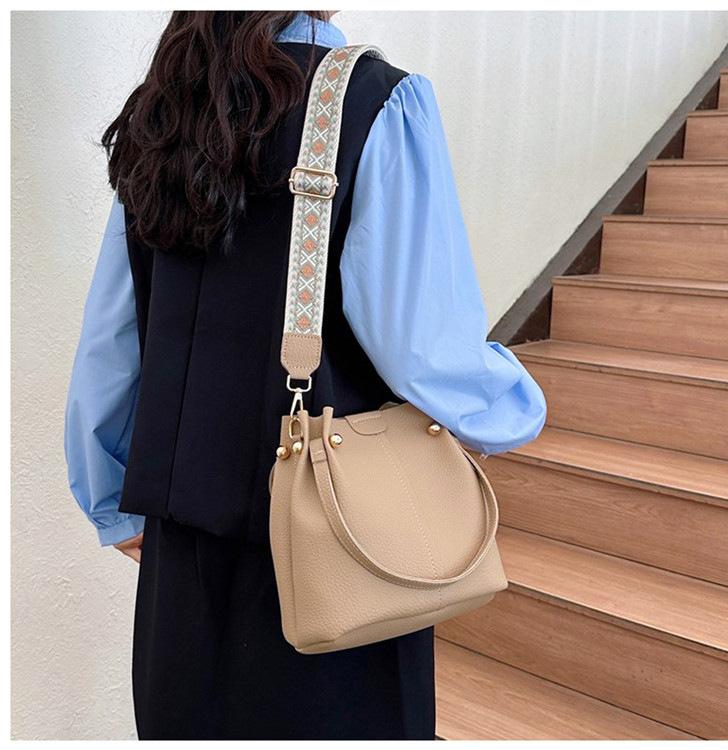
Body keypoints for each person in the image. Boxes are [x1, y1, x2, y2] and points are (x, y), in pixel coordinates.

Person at [64, 10, 547, 741]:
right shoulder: (372, 102)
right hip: (340, 539)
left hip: (179, 545)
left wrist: (112, 500)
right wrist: (510, 408)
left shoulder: (164, 109)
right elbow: (420, 346)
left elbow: (113, 336)